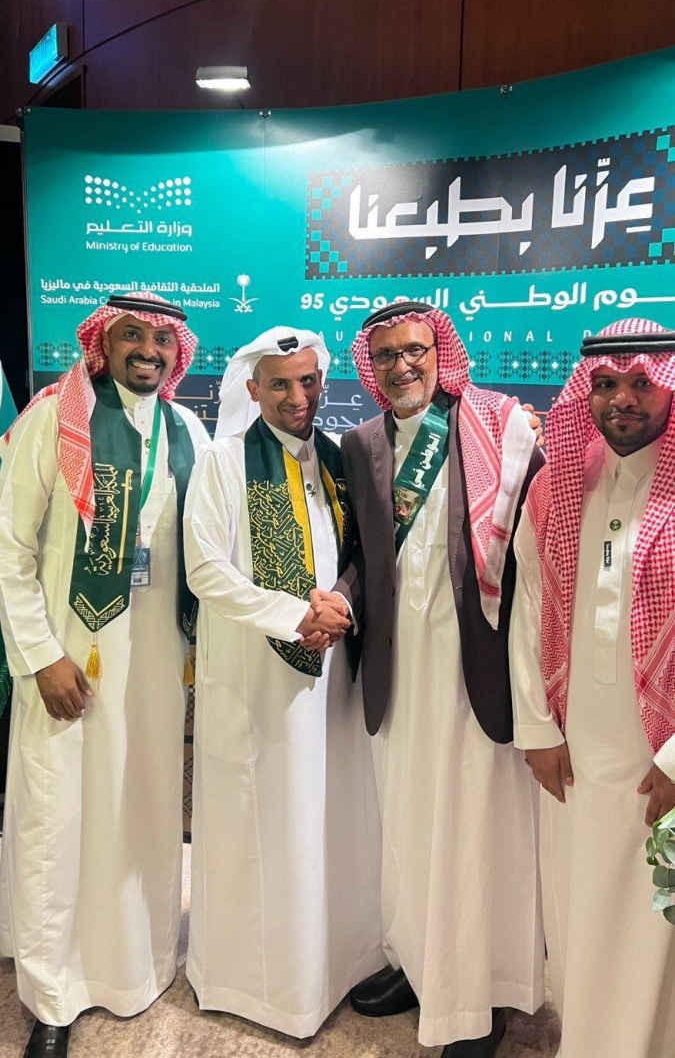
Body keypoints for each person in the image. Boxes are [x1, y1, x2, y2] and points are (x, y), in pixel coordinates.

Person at [321, 301, 546, 1056]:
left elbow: (538, 543)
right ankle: (419, 965)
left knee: (474, 828)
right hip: (397, 672)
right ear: (371, 366)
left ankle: (479, 994)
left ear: (439, 352)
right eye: (386, 356)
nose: (402, 367)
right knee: (409, 824)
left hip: (472, 671)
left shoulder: (497, 428)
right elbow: (362, 556)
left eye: (414, 350)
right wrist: (339, 598)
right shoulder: (360, 444)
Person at [0, 293, 209, 1058]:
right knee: (58, 819)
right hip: (69, 662)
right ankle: (52, 994)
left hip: (154, 670)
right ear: (103, 342)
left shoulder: (189, 431)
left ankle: (135, 967)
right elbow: (8, 546)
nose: (148, 349)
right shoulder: (55, 419)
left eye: (161, 338)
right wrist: (41, 655)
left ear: (177, 350)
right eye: (131, 335)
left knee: (141, 813)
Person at [183, 326, 383, 1038]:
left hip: (332, 682)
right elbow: (205, 570)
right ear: (252, 389)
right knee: (262, 822)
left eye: (307, 381)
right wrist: (293, 613)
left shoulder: (337, 457)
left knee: (328, 818)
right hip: (256, 681)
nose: (297, 397)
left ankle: (334, 964)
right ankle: (258, 984)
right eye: (280, 384)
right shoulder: (225, 461)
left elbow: (361, 552)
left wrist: (338, 606)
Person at [510, 317, 675, 1058]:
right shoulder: (555, 490)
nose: (623, 399)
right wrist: (536, 730)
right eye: (605, 384)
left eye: (642, 382)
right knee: (578, 914)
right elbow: (524, 614)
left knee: (651, 920)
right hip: (573, 749)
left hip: (657, 756)